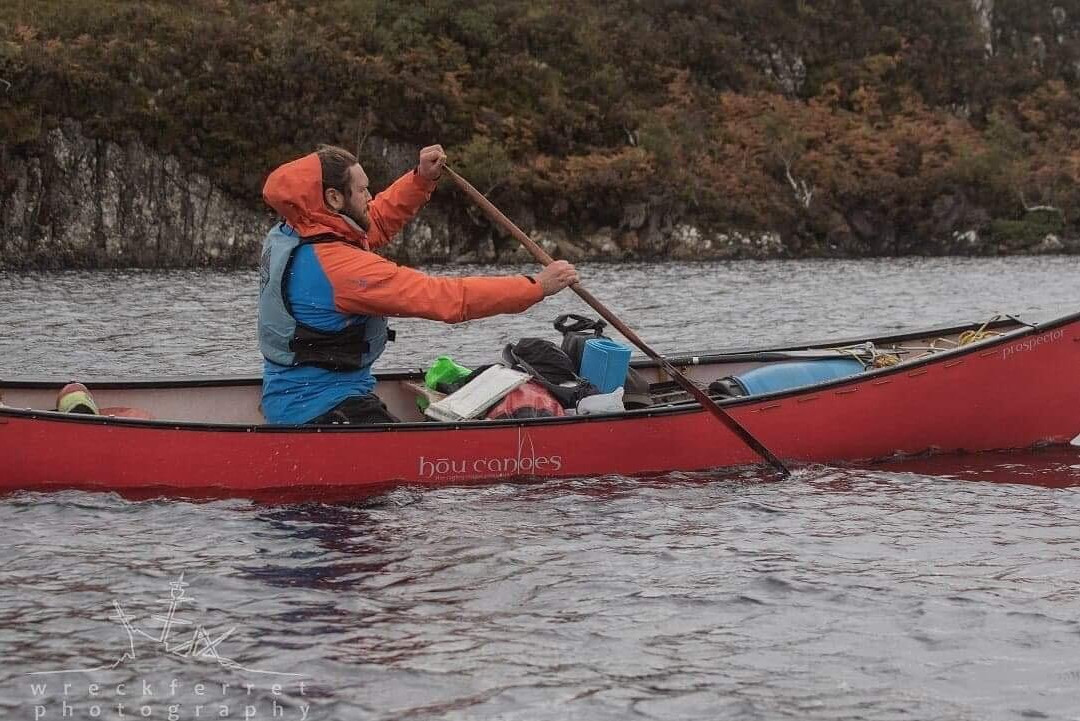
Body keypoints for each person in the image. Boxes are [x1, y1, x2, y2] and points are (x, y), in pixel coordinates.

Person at [257, 144, 579, 425]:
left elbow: (375, 220)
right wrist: (537, 286)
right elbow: (447, 299)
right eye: (362, 190)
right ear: (333, 198)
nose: (370, 196)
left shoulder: (294, 231)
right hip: (321, 408)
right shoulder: (342, 270)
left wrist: (422, 179)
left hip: (290, 397)